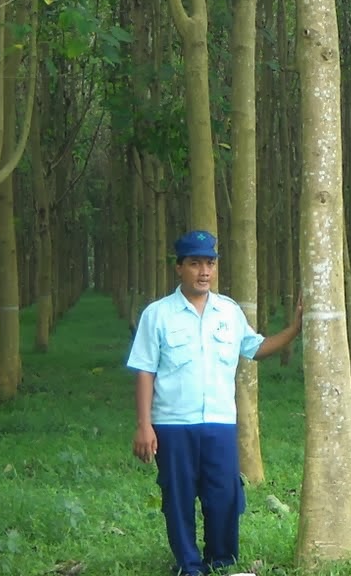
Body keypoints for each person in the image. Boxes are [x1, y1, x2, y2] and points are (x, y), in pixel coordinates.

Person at [127, 229, 302, 576]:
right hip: (173, 424)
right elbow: (145, 371)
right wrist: (144, 424)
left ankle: (222, 562)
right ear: (179, 268)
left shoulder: (229, 312)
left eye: (209, 263)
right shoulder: (157, 315)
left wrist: (294, 329)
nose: (204, 271)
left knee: (223, 494)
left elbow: (255, 347)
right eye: (195, 264)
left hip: (220, 423)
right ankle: (189, 566)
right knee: (177, 499)